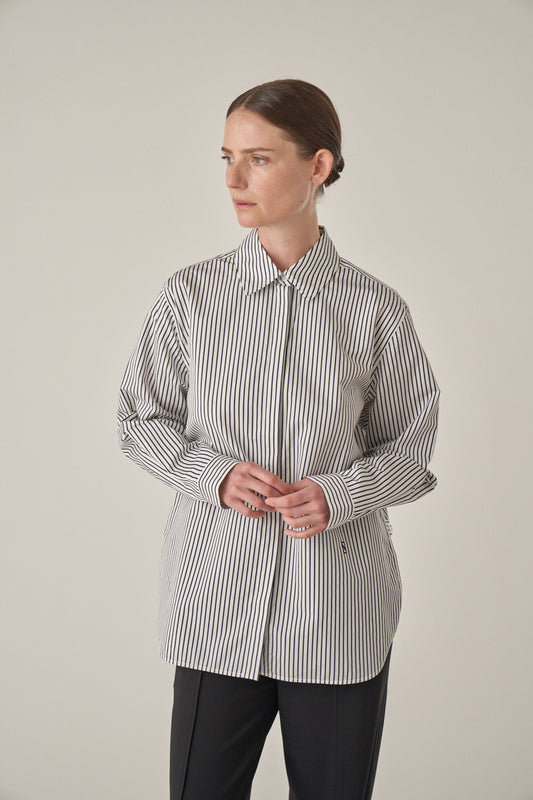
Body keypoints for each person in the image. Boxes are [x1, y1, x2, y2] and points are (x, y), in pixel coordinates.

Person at [118, 78, 440, 800]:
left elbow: (411, 449)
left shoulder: (375, 310)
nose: (233, 179)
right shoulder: (189, 298)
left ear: (318, 166)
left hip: (336, 614)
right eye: (227, 157)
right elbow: (138, 418)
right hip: (214, 605)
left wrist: (337, 494)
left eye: (258, 159)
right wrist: (213, 475)